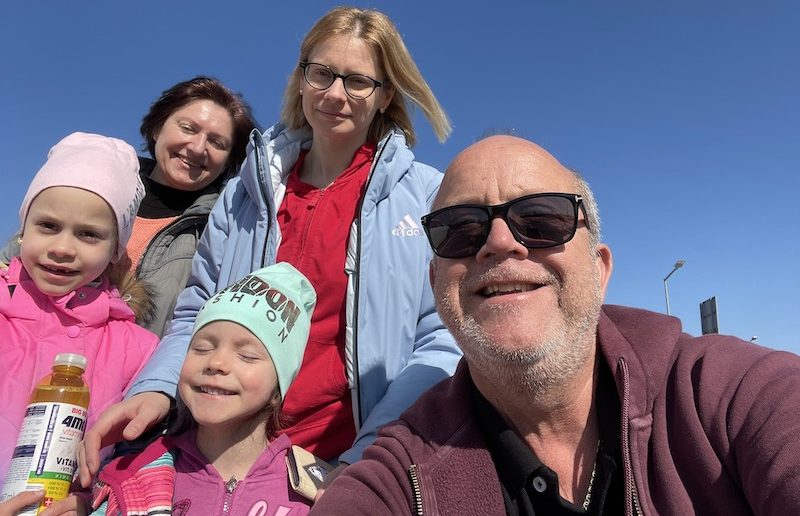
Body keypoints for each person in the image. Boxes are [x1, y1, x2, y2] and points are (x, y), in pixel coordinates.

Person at [311, 135, 800, 515]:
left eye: (542, 220)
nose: (500, 243)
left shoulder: (727, 396)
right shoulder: (401, 471)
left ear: (600, 268)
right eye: (460, 229)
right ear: (437, 282)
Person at [79, 5, 461, 488]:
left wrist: (372, 456)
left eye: (358, 81)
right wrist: (159, 388)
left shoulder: (429, 196)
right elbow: (198, 307)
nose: (335, 94)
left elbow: (442, 338)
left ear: (385, 96)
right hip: (221, 453)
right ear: (301, 79)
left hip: (347, 459)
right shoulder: (245, 191)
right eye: (321, 73)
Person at [48, 263, 316, 515]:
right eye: (201, 348)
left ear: (279, 383)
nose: (216, 362)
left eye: (246, 355)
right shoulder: (132, 475)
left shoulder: (312, 494)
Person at [0, 76, 257, 337]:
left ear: (228, 162)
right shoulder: (87, 187)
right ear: (157, 129)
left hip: (142, 371)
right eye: (188, 128)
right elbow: (11, 263)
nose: (197, 147)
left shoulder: (222, 232)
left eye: (217, 142)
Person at [0, 133, 160, 483]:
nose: (62, 247)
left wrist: (88, 500)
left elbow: (132, 461)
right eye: (48, 226)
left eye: (88, 234)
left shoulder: (139, 349)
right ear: (24, 229)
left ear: (116, 249)